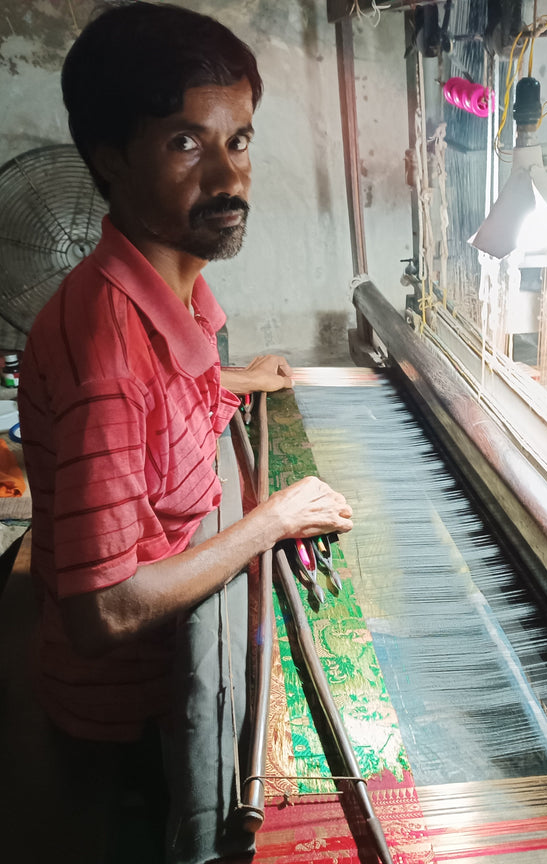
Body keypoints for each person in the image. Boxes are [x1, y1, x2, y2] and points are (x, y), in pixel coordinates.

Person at [17, 2, 353, 862]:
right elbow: (101, 612)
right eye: (184, 144)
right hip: (128, 728)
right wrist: (271, 522)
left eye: (238, 141)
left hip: (171, 680)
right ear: (110, 160)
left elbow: (156, 405)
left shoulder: (169, 292)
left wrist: (228, 381)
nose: (228, 178)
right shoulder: (107, 356)